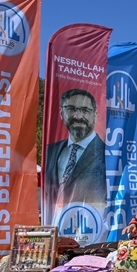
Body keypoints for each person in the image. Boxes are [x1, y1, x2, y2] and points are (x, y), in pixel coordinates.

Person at [42, 88, 108, 219]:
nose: (78, 116)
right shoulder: (50, 151)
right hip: (53, 225)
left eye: (85, 110)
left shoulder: (107, 155)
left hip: (88, 229)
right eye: (71, 109)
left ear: (95, 115)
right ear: (62, 113)